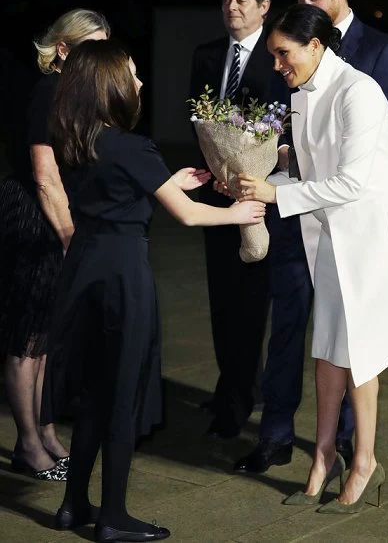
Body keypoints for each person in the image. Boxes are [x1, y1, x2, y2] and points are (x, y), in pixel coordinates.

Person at [40, 38, 266, 541]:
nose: (140, 83)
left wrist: (166, 180)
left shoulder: (75, 138)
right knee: (122, 396)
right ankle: (114, 518)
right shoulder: (130, 144)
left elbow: (118, 188)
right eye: (133, 75)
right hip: (123, 277)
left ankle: (73, 504)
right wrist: (235, 214)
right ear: (110, 87)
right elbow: (186, 214)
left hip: (82, 273)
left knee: (96, 395)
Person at [234, 3, 388, 512]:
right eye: (273, 56)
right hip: (330, 237)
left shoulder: (360, 92)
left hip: (372, 239)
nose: (277, 66)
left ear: (315, 45)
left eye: (283, 54)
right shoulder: (303, 93)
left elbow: (352, 182)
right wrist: (251, 184)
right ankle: (323, 458)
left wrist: (274, 195)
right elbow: (309, 177)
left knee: (359, 353)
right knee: (327, 353)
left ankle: (366, 461)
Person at [0, 8, 110, 481]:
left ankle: (44, 434)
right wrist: (70, 239)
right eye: (92, 47)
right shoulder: (48, 91)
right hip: (35, 222)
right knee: (27, 340)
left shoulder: (74, 93)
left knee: (45, 339)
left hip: (60, 216)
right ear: (63, 50)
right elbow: (46, 179)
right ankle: (27, 445)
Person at [189, 0, 291, 439]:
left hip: (260, 197)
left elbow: (283, 129)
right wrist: (216, 173)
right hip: (215, 196)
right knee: (219, 297)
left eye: (242, 0)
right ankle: (231, 381)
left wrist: (254, 179)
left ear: (264, 6)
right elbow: (200, 121)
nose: (233, 8)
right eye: (227, 0)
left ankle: (239, 399)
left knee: (252, 301)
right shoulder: (206, 55)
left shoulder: (278, 58)